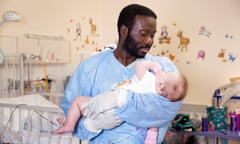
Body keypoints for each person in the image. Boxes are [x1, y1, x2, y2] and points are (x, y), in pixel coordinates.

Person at [61, 4, 184, 144]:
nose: (150, 40)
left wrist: (125, 101)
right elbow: (70, 115)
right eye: (143, 34)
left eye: (152, 35)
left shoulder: (163, 70)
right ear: (124, 30)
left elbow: (167, 110)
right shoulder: (89, 68)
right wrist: (93, 125)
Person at [55, 60, 188, 142]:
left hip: (114, 100)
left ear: (162, 85)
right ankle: (70, 122)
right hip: (115, 119)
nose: (163, 72)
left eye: (166, 74)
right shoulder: (156, 105)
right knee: (92, 122)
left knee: (78, 101)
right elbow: (152, 125)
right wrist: (150, 140)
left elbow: (140, 65)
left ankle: (69, 125)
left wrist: (156, 67)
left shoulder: (149, 80)